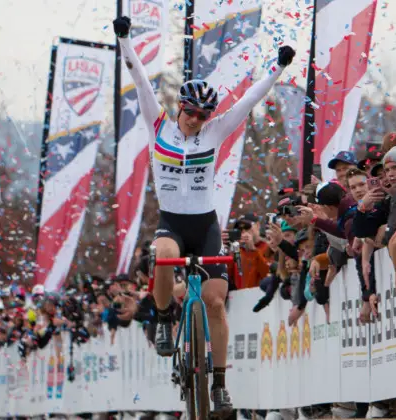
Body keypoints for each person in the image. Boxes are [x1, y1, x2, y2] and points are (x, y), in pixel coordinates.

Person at [113, 15, 295, 413]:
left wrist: (278, 68)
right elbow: (140, 79)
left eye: (202, 116)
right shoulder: (157, 124)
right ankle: (163, 319)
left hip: (206, 225)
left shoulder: (213, 132)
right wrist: (124, 39)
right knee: (161, 254)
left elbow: (249, 101)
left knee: (215, 301)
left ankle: (219, 385)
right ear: (181, 108)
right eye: (191, 113)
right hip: (172, 223)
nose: (195, 121)